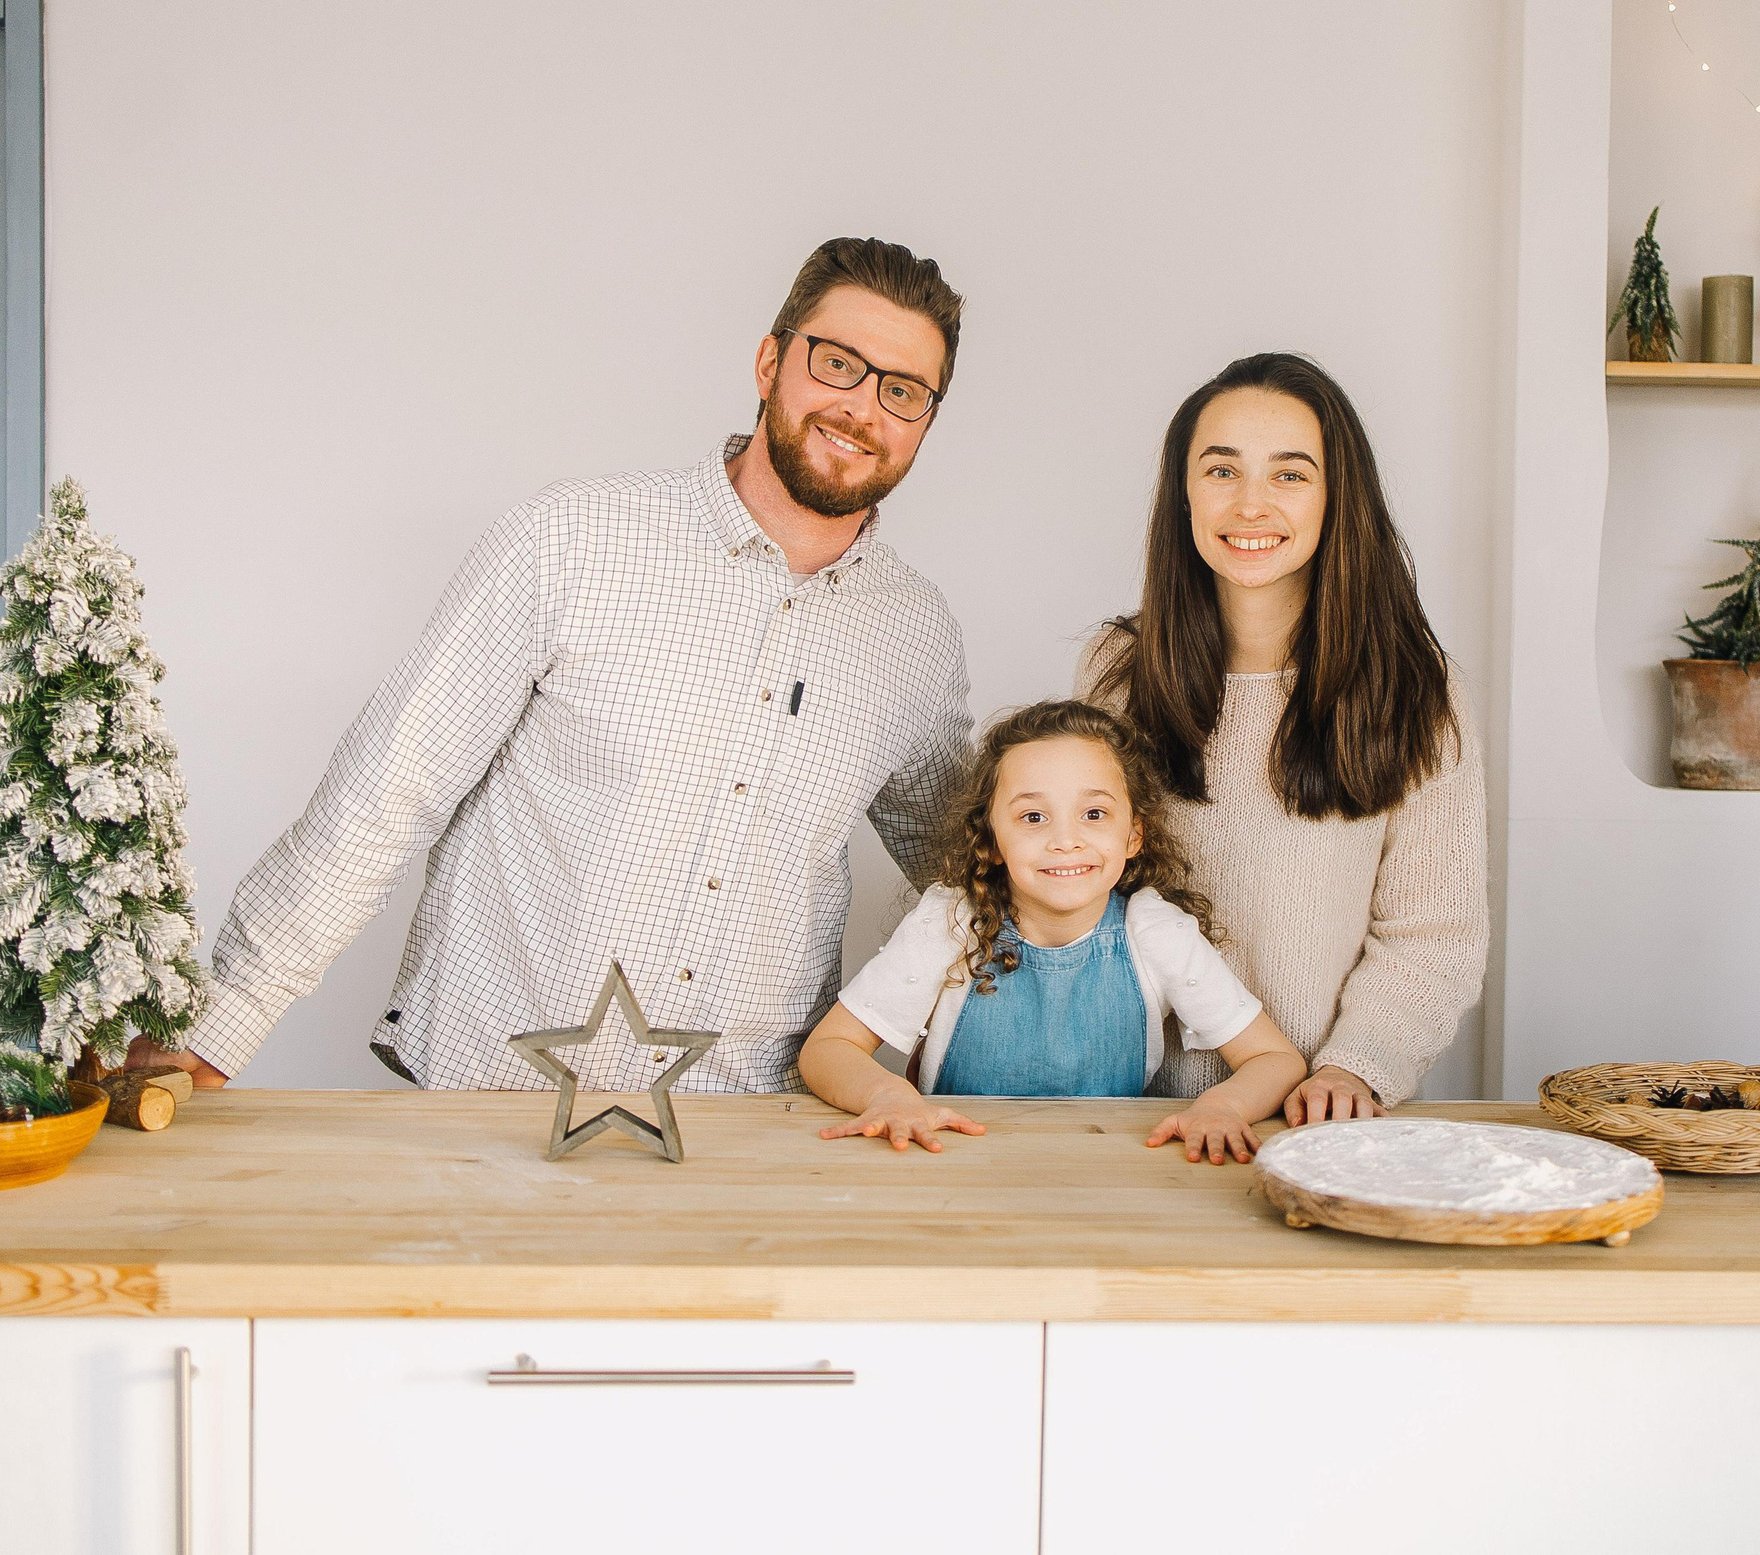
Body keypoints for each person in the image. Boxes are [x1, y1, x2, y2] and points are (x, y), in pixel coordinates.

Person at [127, 238, 973, 1091]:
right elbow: (389, 787)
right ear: (769, 362)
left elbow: (975, 864)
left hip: (747, 1132)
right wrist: (215, 1028)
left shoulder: (916, 637)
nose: (862, 408)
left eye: (901, 390)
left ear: (926, 421)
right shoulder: (570, 539)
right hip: (493, 1103)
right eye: (837, 364)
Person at [1083, 353, 1486, 1123]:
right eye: (1221, 470)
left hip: (1327, 1121)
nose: (1251, 503)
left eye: (1291, 474)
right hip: (1140, 1119)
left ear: (1339, 497)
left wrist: (1351, 1069)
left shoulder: (1419, 689)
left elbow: (1434, 935)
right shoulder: (1115, 671)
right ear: (1183, 494)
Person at [800, 700, 1305, 1164]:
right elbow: (828, 1049)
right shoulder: (951, 923)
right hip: (954, 1168)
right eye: (1033, 816)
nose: (1065, 840)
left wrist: (1224, 1106)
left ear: (1133, 835)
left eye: (1094, 814)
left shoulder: (1154, 931)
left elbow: (1274, 1058)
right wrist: (886, 1095)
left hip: (1113, 1172)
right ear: (993, 840)